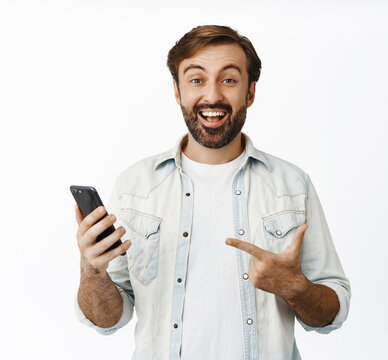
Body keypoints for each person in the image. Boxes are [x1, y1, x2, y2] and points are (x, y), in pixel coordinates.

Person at [74, 25, 351, 360]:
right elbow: (109, 320)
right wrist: (93, 271)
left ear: (250, 92)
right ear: (177, 91)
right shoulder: (135, 186)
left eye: (229, 79)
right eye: (196, 79)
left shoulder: (292, 185)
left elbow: (331, 315)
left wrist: (296, 288)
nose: (213, 96)